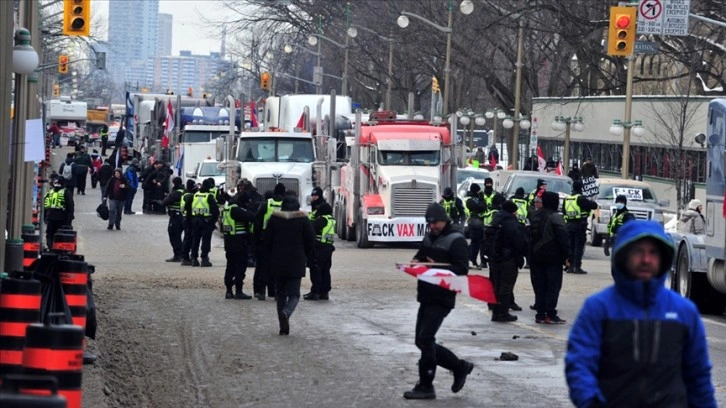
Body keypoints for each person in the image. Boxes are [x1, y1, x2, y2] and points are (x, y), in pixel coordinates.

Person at [565, 221, 716, 408]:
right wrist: (590, 402)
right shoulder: (599, 308)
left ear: (663, 258)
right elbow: (580, 364)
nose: (646, 259)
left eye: (653, 252)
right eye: (638, 251)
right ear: (623, 255)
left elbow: (698, 376)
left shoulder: (683, 311)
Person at [403, 203, 473, 400]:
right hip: (426, 295)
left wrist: (437, 269)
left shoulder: (456, 240)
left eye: (436, 223)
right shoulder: (428, 237)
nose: (432, 226)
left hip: (442, 297)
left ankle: (426, 385)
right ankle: (459, 367)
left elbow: (461, 269)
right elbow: (420, 256)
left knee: (425, 340)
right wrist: (416, 262)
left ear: (444, 220)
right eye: (429, 223)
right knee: (421, 340)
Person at [263, 196, 315, 335]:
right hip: (296, 261)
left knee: (280, 293)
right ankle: (287, 312)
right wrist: (307, 256)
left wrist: (268, 258)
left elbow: (266, 240)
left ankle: (283, 327)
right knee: (294, 294)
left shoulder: (274, 219)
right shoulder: (303, 220)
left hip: (277, 260)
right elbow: (310, 240)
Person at [529, 191, 570, 324]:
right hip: (552, 257)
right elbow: (563, 237)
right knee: (553, 286)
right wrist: (567, 256)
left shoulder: (535, 215)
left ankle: (540, 314)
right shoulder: (555, 217)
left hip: (536, 257)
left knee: (540, 286)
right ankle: (550, 314)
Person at [488, 201, 529, 322]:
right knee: (506, 286)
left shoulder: (495, 219)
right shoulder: (511, 222)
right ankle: (503, 313)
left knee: (497, 285)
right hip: (508, 258)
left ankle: (496, 312)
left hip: (495, 258)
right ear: (512, 211)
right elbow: (520, 241)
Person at [222, 188, 256, 299]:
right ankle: (238, 291)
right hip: (239, 242)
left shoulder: (228, 208)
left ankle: (228, 291)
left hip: (229, 242)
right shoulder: (237, 210)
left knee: (230, 266)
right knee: (240, 267)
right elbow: (251, 217)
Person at [253, 183, 286, 300]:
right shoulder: (285, 204)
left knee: (263, 266)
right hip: (280, 241)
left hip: (265, 239)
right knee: (279, 268)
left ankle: (261, 292)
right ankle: (276, 292)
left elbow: (257, 221)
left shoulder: (267, 204)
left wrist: (256, 240)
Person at [563, 181, 598, 274]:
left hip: (569, 225)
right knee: (579, 246)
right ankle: (577, 267)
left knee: (571, 246)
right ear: (581, 188)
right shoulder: (580, 198)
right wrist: (591, 200)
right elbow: (594, 206)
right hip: (579, 225)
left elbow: (563, 211)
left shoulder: (567, 199)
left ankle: (570, 266)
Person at [185, 178, 219, 267]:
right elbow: (216, 211)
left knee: (195, 240)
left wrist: (190, 220)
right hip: (206, 221)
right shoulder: (209, 196)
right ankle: (204, 259)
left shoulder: (194, 195)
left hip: (195, 220)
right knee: (206, 240)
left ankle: (194, 259)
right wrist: (212, 222)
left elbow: (187, 207)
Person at [304, 203, 335, 301]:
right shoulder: (332, 220)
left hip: (319, 248)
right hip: (328, 248)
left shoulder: (322, 220)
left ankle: (315, 292)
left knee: (316, 270)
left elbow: (310, 229)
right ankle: (324, 292)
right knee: (325, 271)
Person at [44, 176, 74, 249]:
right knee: (61, 235)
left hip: (51, 217)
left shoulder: (50, 192)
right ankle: (58, 249)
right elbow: (71, 207)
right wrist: (69, 220)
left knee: (50, 234)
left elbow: (45, 206)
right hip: (62, 218)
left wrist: (45, 218)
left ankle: (51, 248)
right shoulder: (65, 192)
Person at [162, 177, 186, 262]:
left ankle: (178, 254)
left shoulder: (175, 193)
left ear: (174, 183)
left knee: (173, 234)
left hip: (176, 217)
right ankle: (183, 254)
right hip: (183, 217)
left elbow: (165, 202)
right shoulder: (184, 191)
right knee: (182, 236)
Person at [180, 179, 198, 266]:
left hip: (186, 218)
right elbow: (188, 207)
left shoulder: (186, 193)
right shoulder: (189, 196)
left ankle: (186, 257)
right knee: (188, 239)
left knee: (188, 238)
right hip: (188, 219)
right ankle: (185, 257)